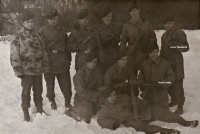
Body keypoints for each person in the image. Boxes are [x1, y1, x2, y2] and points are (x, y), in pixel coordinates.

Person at [137, 43, 198, 131]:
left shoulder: (165, 63)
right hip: (148, 97)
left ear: (158, 52)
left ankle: (185, 122)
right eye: (150, 53)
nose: (152, 55)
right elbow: (140, 79)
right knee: (145, 117)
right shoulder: (144, 64)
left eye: (154, 52)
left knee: (165, 115)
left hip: (161, 97)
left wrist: (161, 84)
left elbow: (171, 78)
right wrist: (145, 87)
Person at [10, 10, 50, 122]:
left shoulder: (38, 35)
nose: (30, 24)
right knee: (26, 91)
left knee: (38, 90)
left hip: (38, 69)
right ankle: (26, 112)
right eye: (27, 22)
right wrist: (18, 70)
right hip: (26, 70)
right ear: (23, 23)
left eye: (31, 21)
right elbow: (14, 54)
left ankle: (40, 108)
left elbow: (44, 51)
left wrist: (46, 66)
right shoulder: (17, 36)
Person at [98, 88, 184, 134]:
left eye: (114, 95)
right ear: (106, 97)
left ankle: (183, 121)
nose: (113, 98)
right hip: (132, 121)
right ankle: (165, 131)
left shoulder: (121, 97)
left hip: (139, 111)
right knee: (144, 128)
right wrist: (113, 123)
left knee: (160, 112)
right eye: (110, 96)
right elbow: (100, 120)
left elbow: (133, 99)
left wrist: (142, 103)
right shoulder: (105, 109)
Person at [119, 1, 157, 96]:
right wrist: (122, 55)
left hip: (144, 54)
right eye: (131, 12)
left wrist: (148, 46)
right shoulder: (126, 26)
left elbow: (153, 37)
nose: (133, 13)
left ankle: (148, 95)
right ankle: (133, 96)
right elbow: (123, 42)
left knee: (147, 76)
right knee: (132, 77)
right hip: (131, 54)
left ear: (139, 10)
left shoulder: (146, 24)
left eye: (135, 10)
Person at [39, 9, 72, 115]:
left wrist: (69, 60)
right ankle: (52, 100)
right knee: (50, 84)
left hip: (62, 61)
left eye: (55, 19)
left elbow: (67, 47)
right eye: (51, 19)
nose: (53, 21)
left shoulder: (62, 30)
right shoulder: (42, 31)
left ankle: (67, 101)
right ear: (48, 20)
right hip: (49, 62)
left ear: (58, 18)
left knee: (66, 84)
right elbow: (40, 47)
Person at [160, 16, 189, 115]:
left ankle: (180, 105)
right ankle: (174, 100)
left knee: (177, 83)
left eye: (169, 23)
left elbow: (185, 47)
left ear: (174, 23)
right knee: (169, 82)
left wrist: (175, 46)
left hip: (176, 62)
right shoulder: (164, 35)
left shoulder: (179, 33)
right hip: (167, 62)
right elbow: (162, 50)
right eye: (166, 24)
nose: (167, 26)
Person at [71, 52, 105, 123]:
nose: (93, 64)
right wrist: (97, 95)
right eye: (91, 62)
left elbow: (99, 86)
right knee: (86, 116)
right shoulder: (79, 75)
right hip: (82, 98)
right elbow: (82, 93)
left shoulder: (96, 71)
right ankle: (71, 112)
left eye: (95, 62)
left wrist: (104, 93)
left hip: (94, 97)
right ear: (86, 62)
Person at [92, 7, 123, 74]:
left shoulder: (118, 26)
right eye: (105, 17)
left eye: (109, 16)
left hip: (115, 54)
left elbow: (128, 27)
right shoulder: (97, 28)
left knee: (115, 74)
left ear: (111, 17)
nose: (107, 19)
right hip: (104, 56)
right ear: (102, 18)